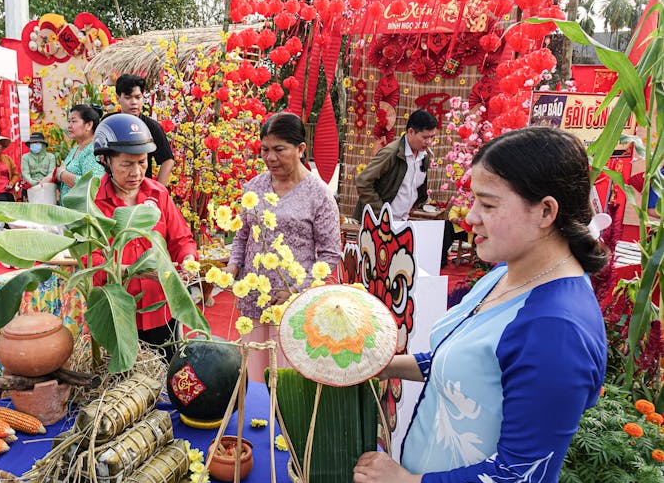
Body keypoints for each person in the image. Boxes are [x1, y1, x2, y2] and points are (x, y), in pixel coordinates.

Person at [353, 126, 608, 483]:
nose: (469, 217)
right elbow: (457, 361)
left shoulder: (556, 329)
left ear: (546, 211)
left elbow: (521, 476)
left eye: (488, 204)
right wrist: (384, 365)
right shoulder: (508, 273)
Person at [224, 112, 341, 381]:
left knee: (287, 379)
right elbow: (242, 236)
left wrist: (296, 291)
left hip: (293, 302)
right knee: (252, 375)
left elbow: (330, 255)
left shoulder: (319, 195)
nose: (270, 158)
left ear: (301, 149)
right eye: (264, 150)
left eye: (279, 149)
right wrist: (233, 266)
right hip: (252, 297)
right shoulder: (254, 187)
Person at [93, 113, 196, 361]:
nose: (137, 172)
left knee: (167, 376)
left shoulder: (158, 194)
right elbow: (92, 260)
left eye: (142, 162)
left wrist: (189, 260)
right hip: (116, 315)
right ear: (106, 160)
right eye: (126, 164)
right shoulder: (93, 202)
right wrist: (134, 270)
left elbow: (182, 240)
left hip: (160, 307)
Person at [354, 109, 437, 222]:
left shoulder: (424, 156)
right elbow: (363, 181)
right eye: (425, 137)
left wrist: (416, 204)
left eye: (432, 137)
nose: (429, 142)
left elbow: (416, 188)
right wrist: (382, 213)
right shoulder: (391, 153)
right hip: (379, 223)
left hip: (402, 221)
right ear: (411, 132)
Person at [113, 73, 175, 185]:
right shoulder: (109, 123)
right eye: (128, 97)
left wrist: (157, 192)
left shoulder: (152, 127)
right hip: (112, 188)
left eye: (138, 97)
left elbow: (167, 160)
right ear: (118, 98)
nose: (134, 102)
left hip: (140, 190)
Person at [54, 104, 105, 202]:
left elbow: (92, 184)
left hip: (83, 213)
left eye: (74, 121)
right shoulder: (75, 148)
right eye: (69, 121)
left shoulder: (94, 150)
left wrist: (62, 175)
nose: (69, 126)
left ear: (89, 125)